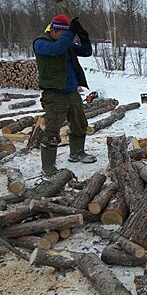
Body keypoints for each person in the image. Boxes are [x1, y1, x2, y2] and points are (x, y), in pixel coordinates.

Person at [33, 14, 96, 176]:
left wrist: (83, 36)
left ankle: (77, 153)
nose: (65, 37)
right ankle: (48, 166)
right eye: (63, 34)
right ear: (53, 30)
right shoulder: (41, 43)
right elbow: (56, 49)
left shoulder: (65, 43)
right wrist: (70, 33)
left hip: (72, 92)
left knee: (79, 123)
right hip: (54, 94)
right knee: (52, 130)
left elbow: (86, 51)